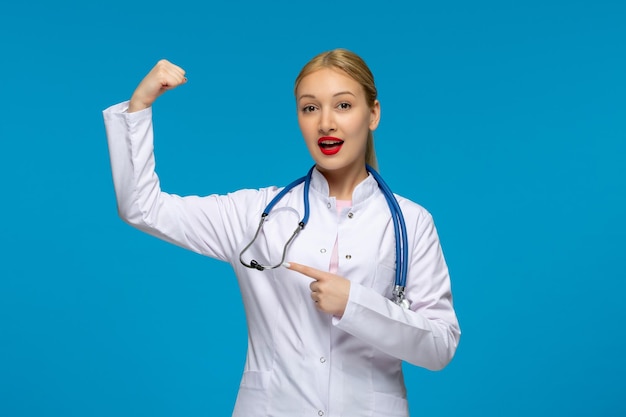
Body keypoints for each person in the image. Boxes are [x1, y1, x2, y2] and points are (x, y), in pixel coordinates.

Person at [103, 48, 460, 417]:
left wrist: (355, 304)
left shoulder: (411, 222)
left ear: (373, 114)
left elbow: (441, 347)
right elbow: (142, 207)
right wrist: (139, 105)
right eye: (310, 108)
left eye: (342, 106)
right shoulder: (256, 214)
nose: (325, 124)